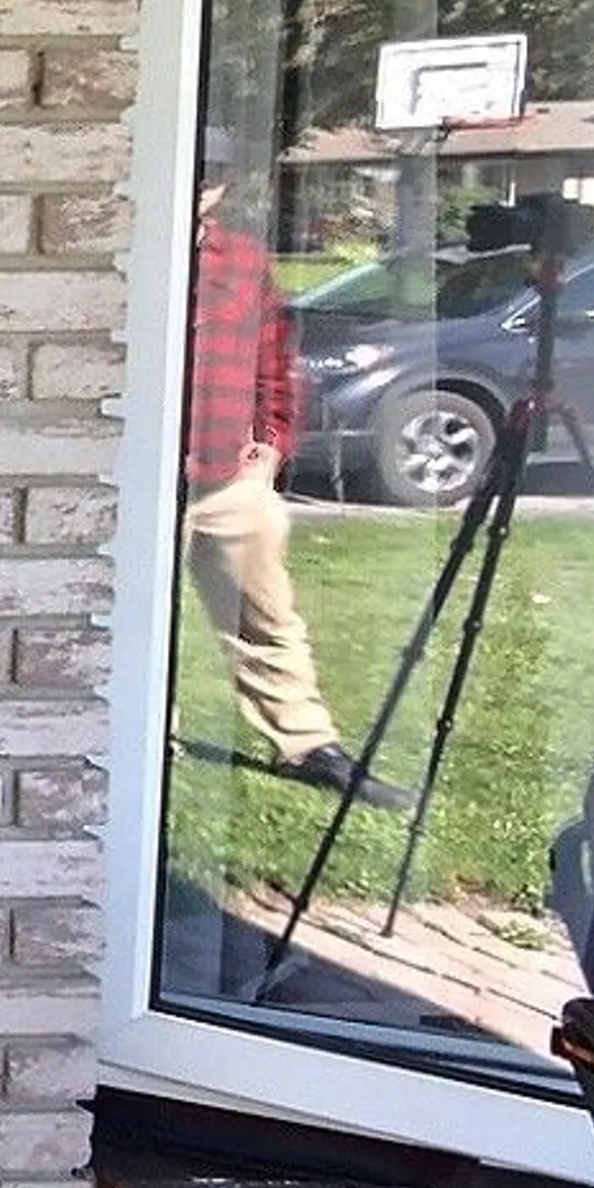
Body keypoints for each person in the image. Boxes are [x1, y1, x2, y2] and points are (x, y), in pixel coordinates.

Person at [180, 129, 395, 808]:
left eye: (213, 175)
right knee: (119, 618)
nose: (202, 186)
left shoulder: (241, 260)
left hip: (227, 479)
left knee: (267, 617)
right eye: (195, 171)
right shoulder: (130, 254)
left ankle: (309, 745)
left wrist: (270, 442)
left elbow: (275, 359)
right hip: (140, 479)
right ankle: (150, 733)